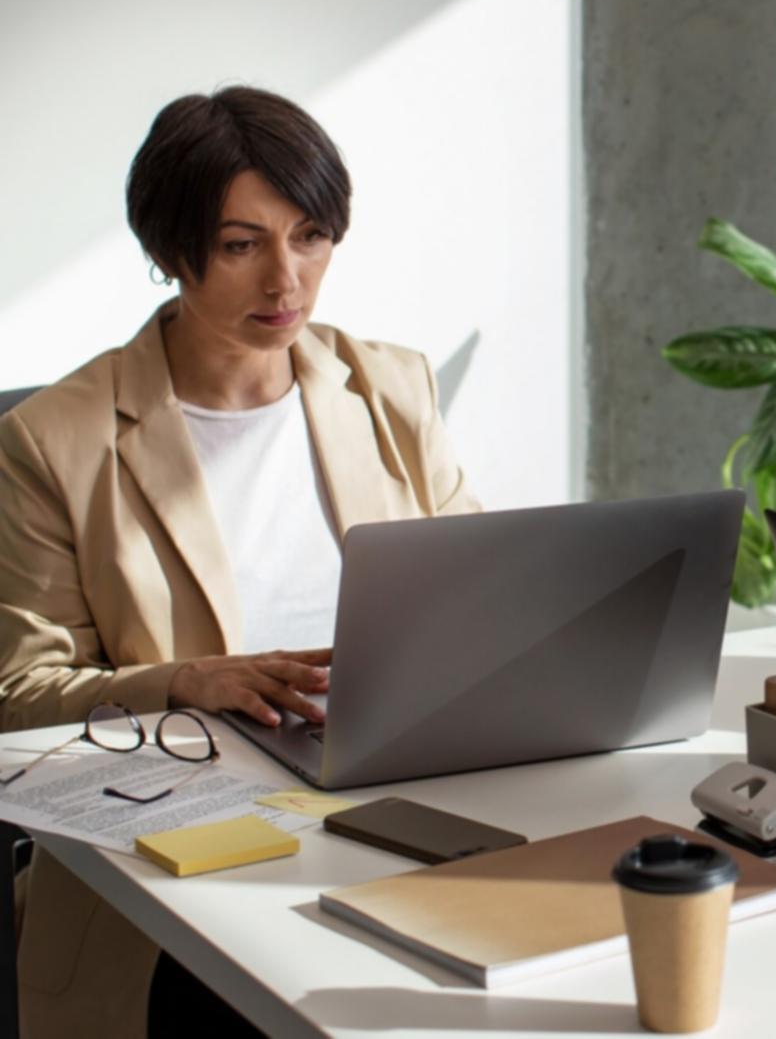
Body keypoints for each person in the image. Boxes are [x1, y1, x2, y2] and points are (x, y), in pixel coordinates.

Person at [0, 86, 477, 1037]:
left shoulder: (390, 385)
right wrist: (185, 681)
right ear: (169, 251)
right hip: (172, 869)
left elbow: (481, 600)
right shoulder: (53, 439)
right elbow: (17, 690)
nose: (286, 282)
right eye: (240, 245)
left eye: (310, 235)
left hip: (392, 812)